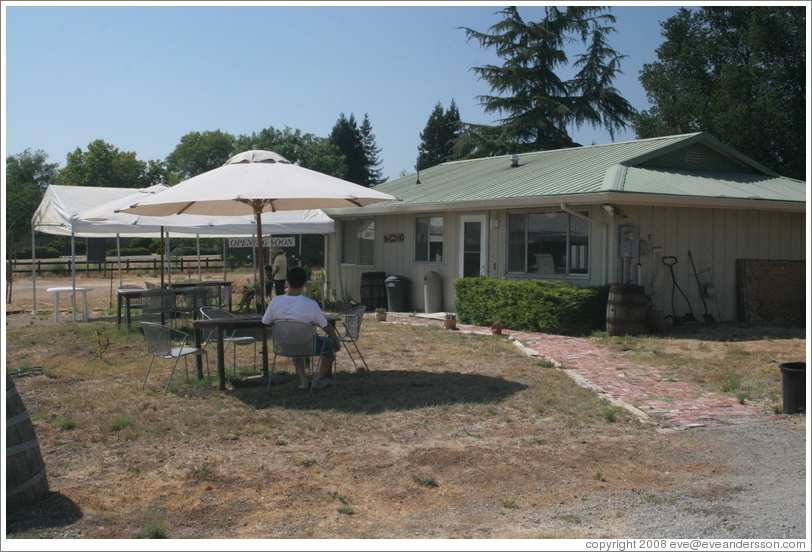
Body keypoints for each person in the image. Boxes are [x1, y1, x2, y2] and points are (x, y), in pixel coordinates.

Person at [262, 267, 341, 390]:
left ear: (287, 282)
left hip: (285, 344)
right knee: (330, 350)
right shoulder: (310, 303)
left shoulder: (276, 301)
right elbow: (326, 326)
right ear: (305, 282)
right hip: (309, 344)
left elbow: (266, 322)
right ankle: (316, 382)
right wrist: (336, 339)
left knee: (296, 347)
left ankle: (304, 381)